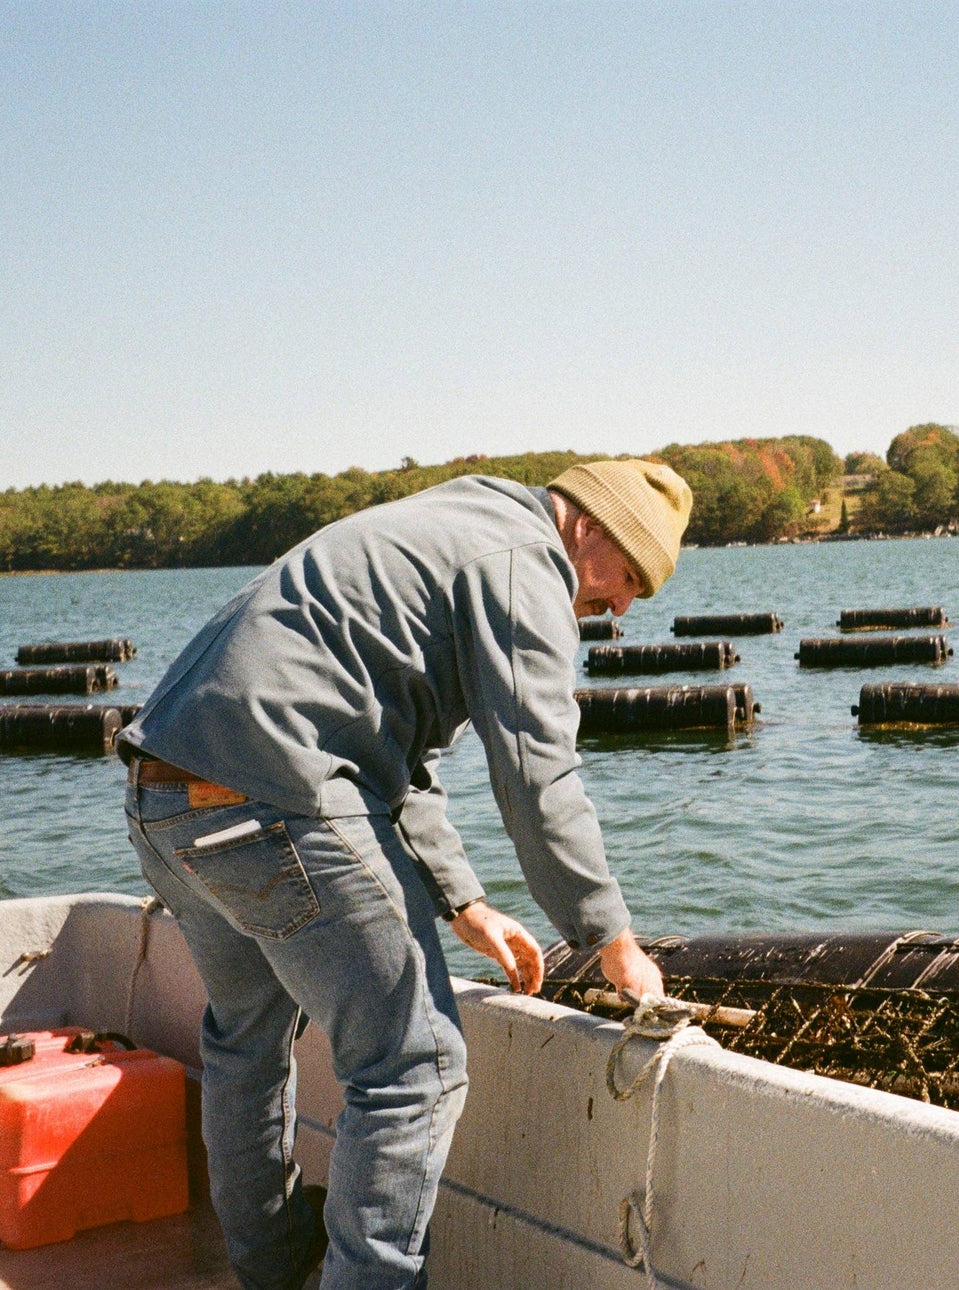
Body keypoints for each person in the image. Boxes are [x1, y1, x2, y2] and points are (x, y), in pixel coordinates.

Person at [118, 460, 690, 1289]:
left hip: (164, 793)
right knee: (414, 1067)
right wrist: (611, 938)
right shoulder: (527, 561)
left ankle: (273, 1269)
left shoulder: (460, 520)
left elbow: (393, 755)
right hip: (276, 791)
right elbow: (538, 775)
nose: (623, 607)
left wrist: (463, 903)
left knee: (246, 1042)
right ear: (590, 527)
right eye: (628, 576)